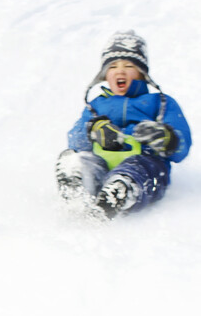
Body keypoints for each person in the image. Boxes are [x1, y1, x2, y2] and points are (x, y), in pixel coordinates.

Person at [56, 30, 191, 218]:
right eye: (112, 66)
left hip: (146, 164)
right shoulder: (96, 105)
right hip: (103, 163)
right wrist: (93, 130)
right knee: (78, 159)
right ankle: (76, 190)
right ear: (104, 76)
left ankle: (119, 192)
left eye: (128, 65)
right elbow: (75, 142)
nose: (120, 70)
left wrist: (166, 138)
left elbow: (182, 147)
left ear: (142, 73)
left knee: (138, 169)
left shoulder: (159, 102)